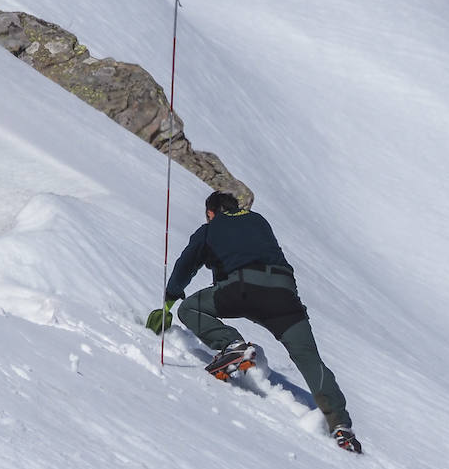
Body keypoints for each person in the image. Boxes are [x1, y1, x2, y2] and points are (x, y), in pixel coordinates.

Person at [151, 191, 361, 453]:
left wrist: (169, 299)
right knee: (308, 358)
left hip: (241, 289)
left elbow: (186, 265)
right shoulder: (259, 220)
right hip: (284, 296)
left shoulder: (211, 228)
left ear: (210, 213)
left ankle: (232, 345)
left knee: (190, 308)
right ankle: (341, 426)